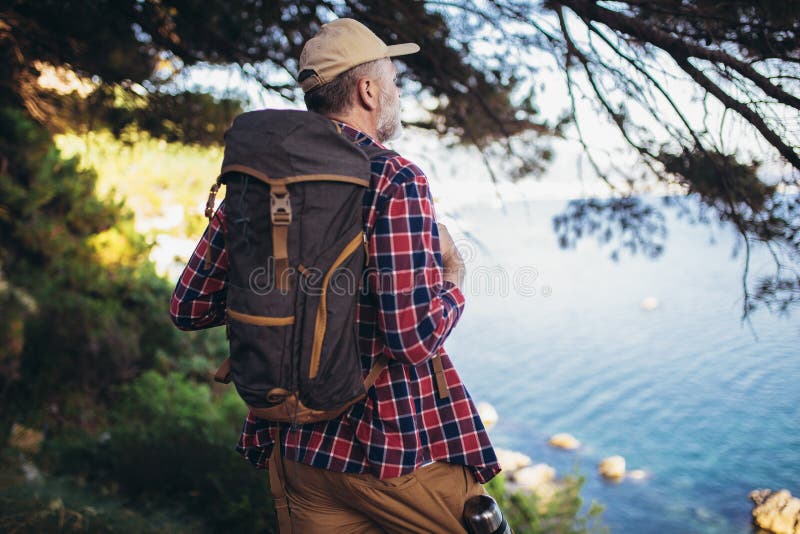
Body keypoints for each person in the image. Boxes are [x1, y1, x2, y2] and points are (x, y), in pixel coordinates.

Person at [170, 17, 500, 533]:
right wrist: (454, 280)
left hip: (297, 449)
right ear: (368, 90)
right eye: (393, 80)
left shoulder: (256, 182)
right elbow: (412, 339)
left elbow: (188, 307)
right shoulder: (396, 179)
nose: (396, 92)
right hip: (392, 454)